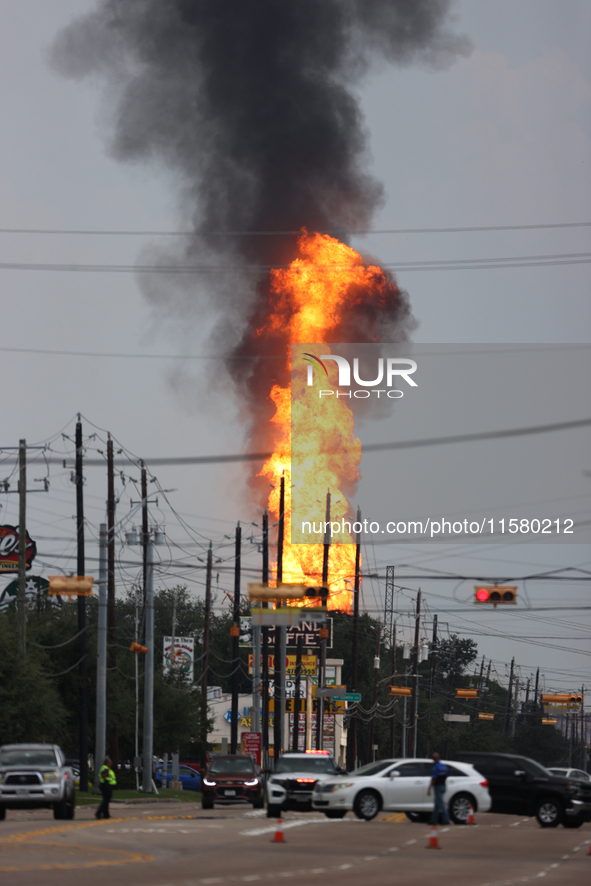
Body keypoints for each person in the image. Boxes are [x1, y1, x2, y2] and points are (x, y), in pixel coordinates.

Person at [427, 752, 450, 825]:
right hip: (443, 786)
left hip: (438, 787)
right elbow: (446, 776)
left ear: (433, 759)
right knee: (437, 804)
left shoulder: (436, 766)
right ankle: (433, 820)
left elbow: (434, 778)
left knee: (441, 804)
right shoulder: (444, 766)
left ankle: (446, 820)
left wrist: (429, 788)